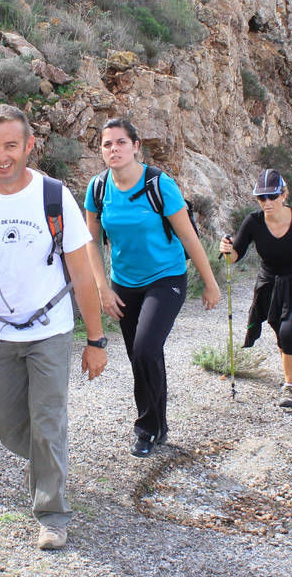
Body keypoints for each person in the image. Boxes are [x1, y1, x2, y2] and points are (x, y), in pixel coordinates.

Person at [0, 104, 108, 551]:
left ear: (29, 145)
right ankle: (43, 458)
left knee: (47, 421)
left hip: (50, 330)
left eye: (11, 145)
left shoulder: (54, 197)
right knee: (4, 418)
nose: (3, 156)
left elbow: (82, 273)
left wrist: (96, 339)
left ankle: (52, 513)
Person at [84, 118, 221, 458]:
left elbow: (188, 236)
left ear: (135, 147)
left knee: (146, 349)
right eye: (107, 144)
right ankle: (159, 426)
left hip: (166, 277)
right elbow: (91, 242)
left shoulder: (159, 185)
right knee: (141, 356)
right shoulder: (98, 189)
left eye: (121, 142)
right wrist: (102, 288)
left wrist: (210, 283)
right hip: (124, 283)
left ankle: (146, 429)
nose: (114, 149)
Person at [219, 169, 292, 409]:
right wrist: (227, 250)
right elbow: (235, 256)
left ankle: (290, 386)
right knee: (280, 332)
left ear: (284, 195)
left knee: (289, 331)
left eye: (272, 196)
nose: (267, 202)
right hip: (270, 284)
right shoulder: (253, 222)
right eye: (261, 198)